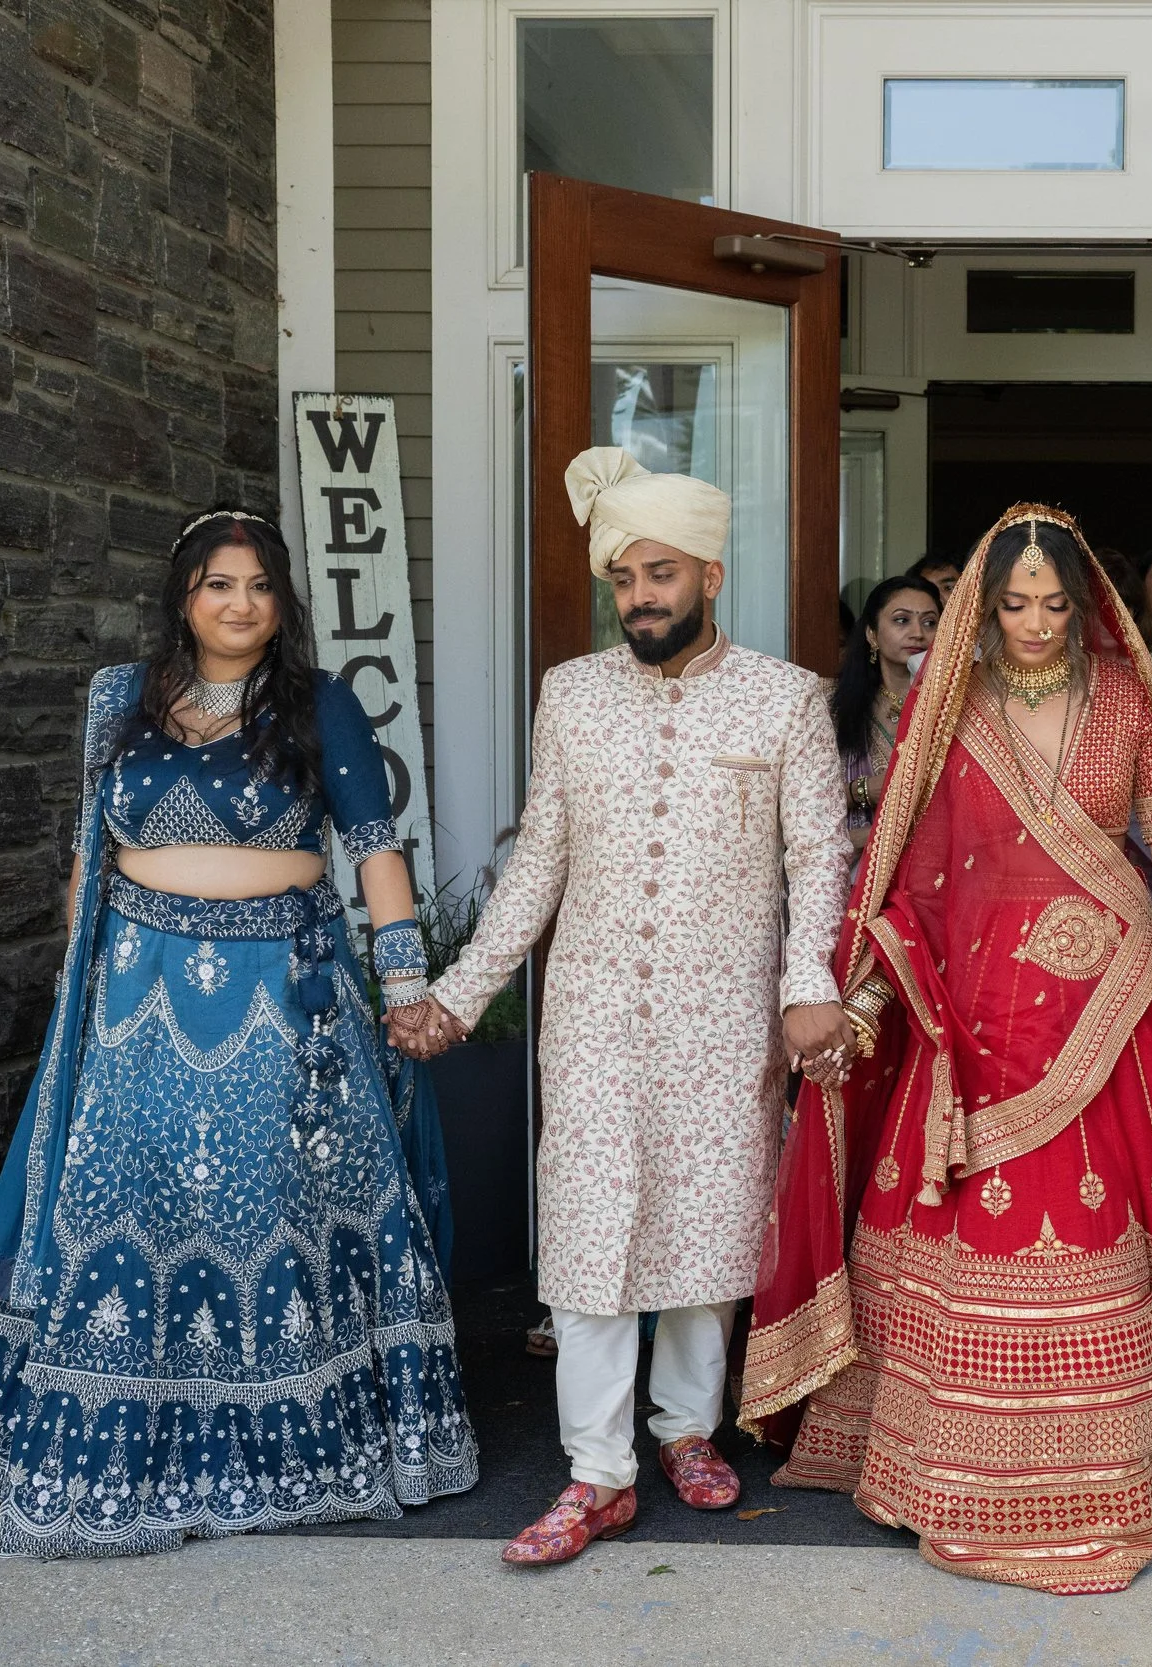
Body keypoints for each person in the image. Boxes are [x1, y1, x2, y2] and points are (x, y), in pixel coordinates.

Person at [742, 504, 1152, 1595]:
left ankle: (1130, 1467)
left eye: (1053, 602)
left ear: (1084, 602)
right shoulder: (954, 704)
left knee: (1119, 1212)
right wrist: (861, 982)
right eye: (1013, 604)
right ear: (980, 612)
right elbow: (904, 861)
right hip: (979, 1012)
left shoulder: (1130, 698)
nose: (1035, 622)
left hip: (1115, 999)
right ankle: (958, 1469)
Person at [0, 509, 476, 1558]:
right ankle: (124, 1450)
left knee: (276, 1209)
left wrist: (406, 981)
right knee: (131, 1203)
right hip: (137, 990)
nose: (239, 603)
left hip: (283, 996)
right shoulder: (120, 699)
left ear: (281, 600)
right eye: (216, 583)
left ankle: (291, 1446)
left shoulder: (319, 703)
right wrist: (78, 986)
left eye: (258, 585)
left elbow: (375, 852)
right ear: (182, 596)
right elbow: (90, 853)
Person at [394, 447, 854, 1566]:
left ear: (707, 570)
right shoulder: (573, 692)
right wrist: (458, 995)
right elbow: (539, 859)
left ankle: (687, 1429)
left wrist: (808, 992)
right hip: (595, 1009)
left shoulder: (787, 698)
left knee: (709, 1222)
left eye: (658, 574)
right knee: (593, 1238)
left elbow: (817, 859)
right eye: (622, 580)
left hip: (727, 1010)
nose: (639, 596)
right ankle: (596, 1472)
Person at [832, 575, 942, 850]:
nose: (918, 633)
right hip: (853, 869)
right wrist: (864, 790)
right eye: (902, 620)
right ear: (872, 634)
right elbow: (800, 802)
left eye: (930, 622)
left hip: (935, 869)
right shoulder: (830, 705)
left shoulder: (954, 708)